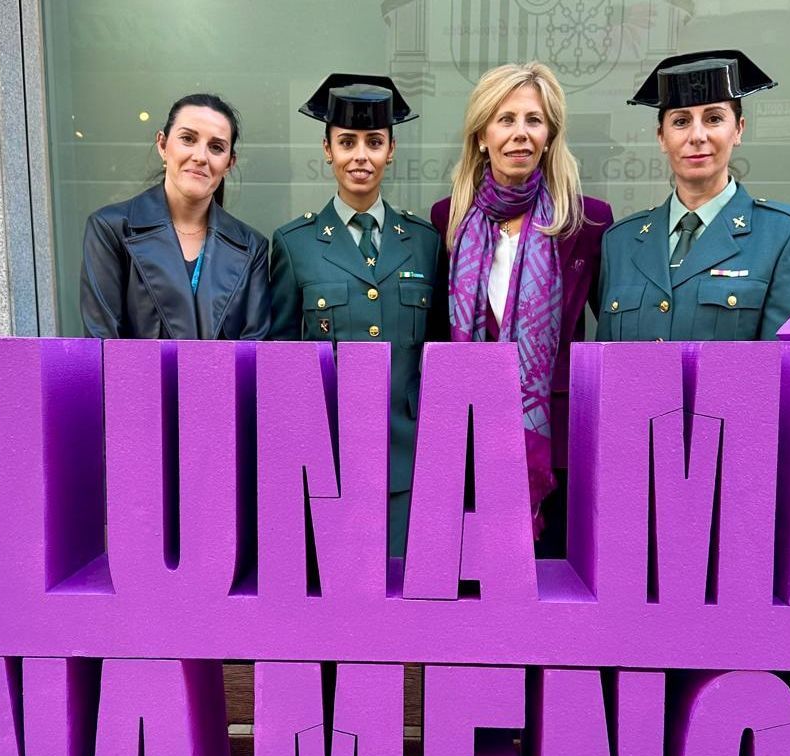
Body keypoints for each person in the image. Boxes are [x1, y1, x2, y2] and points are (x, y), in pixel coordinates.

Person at [430, 62, 612, 549]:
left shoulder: (588, 221)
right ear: (482, 135)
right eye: (505, 119)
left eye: (533, 120)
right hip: (469, 435)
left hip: (552, 443)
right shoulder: (447, 219)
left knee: (553, 590)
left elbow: (611, 337)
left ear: (550, 134)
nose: (520, 134)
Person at [268, 74, 443, 558]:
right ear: (327, 149)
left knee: (405, 594)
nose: (360, 156)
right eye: (346, 142)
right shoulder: (294, 244)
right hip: (327, 459)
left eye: (373, 142)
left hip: (408, 459)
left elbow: (440, 352)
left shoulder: (425, 243)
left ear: (391, 150)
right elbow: (282, 362)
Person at [595, 50, 790, 341]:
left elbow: (783, 367)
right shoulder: (620, 242)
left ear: (739, 130)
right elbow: (606, 366)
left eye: (714, 118)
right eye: (680, 121)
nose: (697, 135)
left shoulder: (784, 235)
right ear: (661, 137)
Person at [79, 94, 271, 339]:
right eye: (188, 139)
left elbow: (253, 355)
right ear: (162, 144)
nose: (201, 156)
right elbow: (103, 346)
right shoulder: (110, 230)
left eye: (216, 147)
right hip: (136, 378)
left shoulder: (252, 246)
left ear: (229, 163)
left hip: (222, 379)